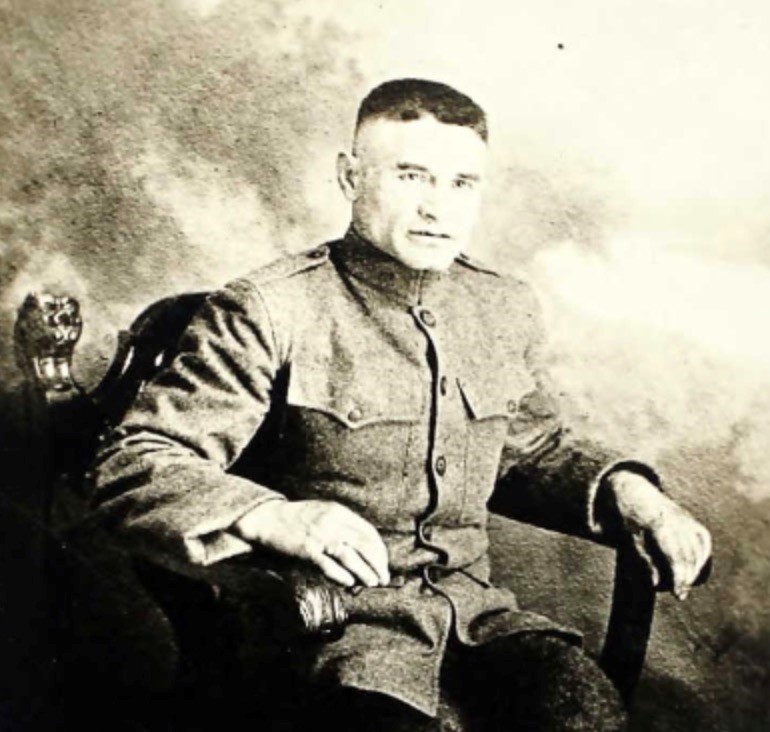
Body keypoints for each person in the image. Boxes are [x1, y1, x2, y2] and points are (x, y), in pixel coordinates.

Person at [92, 79, 712, 731]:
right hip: (330, 632)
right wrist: (276, 517)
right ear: (350, 176)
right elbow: (138, 462)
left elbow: (531, 451)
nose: (436, 208)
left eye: (461, 183)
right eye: (411, 175)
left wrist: (636, 496)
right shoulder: (272, 309)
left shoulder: (502, 306)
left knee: (586, 711)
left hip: (478, 619)